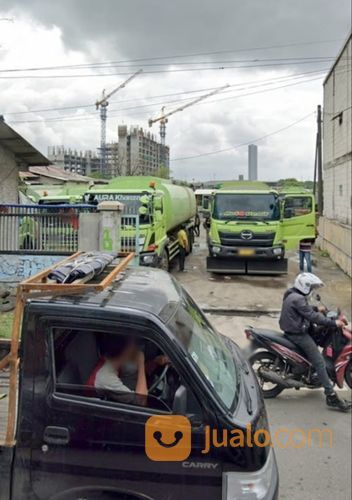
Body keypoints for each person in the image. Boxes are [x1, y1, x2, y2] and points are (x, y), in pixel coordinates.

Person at [279, 272, 351, 412]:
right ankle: (331, 395)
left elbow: (304, 310)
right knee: (319, 362)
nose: (312, 289)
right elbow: (313, 317)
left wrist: (318, 308)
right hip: (297, 334)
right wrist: (333, 322)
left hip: (295, 329)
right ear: (305, 286)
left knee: (316, 341)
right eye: (311, 287)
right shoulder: (298, 298)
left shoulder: (292, 294)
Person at [87, 335, 169, 396]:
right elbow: (141, 401)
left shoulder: (114, 361)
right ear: (124, 352)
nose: (134, 349)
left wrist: (155, 362)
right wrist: (141, 363)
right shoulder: (106, 378)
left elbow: (137, 372)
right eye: (131, 347)